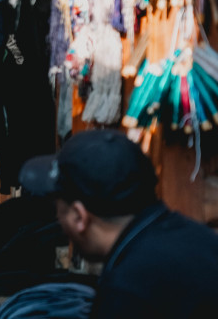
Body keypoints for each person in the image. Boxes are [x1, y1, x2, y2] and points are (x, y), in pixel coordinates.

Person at [20, 128, 218, 319]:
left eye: (59, 208)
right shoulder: (200, 239)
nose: (58, 220)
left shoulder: (127, 291)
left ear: (79, 217)